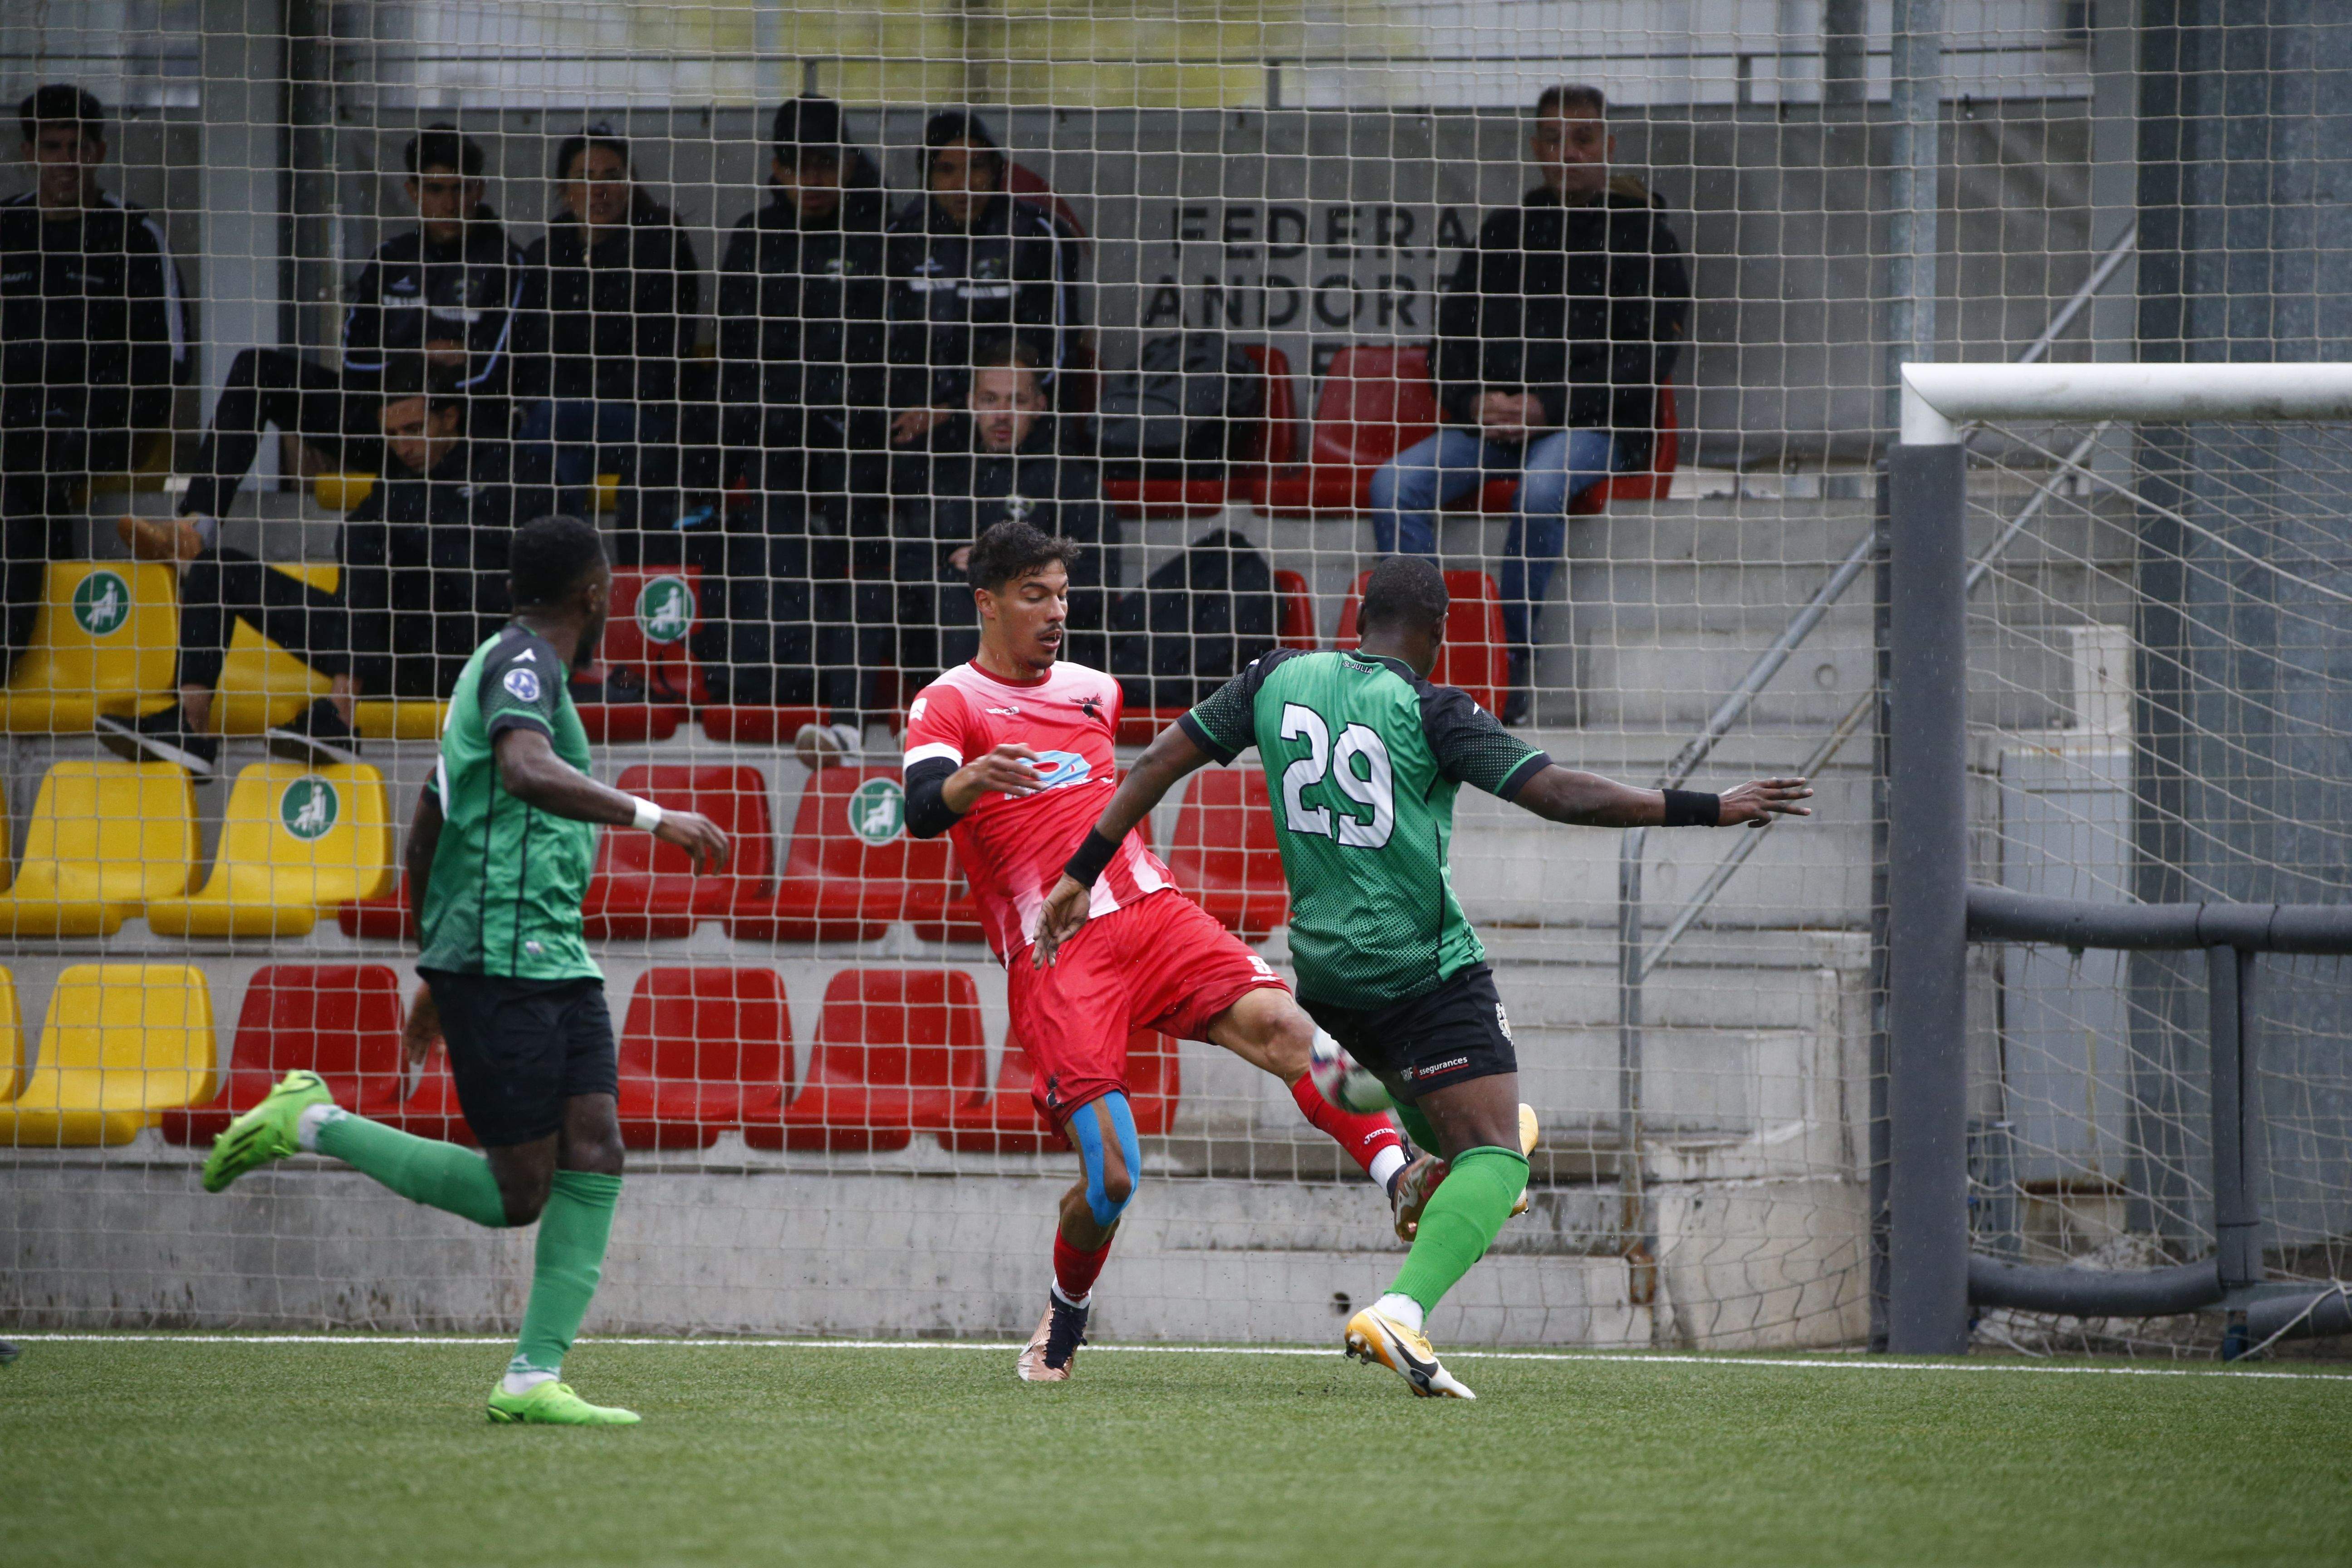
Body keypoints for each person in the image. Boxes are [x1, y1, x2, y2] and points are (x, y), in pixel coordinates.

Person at [1034, 556, 1811, 1396]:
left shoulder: (1273, 677)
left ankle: (1385, 1115)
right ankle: (1401, 1309)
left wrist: (1082, 868)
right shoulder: (1432, 709)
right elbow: (1559, 795)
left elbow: (1152, 764)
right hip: (1422, 975)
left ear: (1356, 620)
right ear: (1437, 632)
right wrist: (1704, 805)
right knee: (1501, 1155)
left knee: (1453, 1145)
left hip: (1325, 979)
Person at [200, 514, 730, 1426]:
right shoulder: (520, 665)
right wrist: (656, 818)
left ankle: (533, 1375)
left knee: (597, 1144)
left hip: (543, 953)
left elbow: (426, 828)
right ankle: (312, 1119)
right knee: (516, 1192)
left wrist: (434, 970)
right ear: (594, 595)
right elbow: (525, 770)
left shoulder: (511, 671)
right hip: (503, 952)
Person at [900, 519, 1417, 1384]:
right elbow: (920, 808)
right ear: (986, 602)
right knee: (1108, 1179)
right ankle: (1066, 1313)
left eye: (1061, 594)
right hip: (1057, 954)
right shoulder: (948, 701)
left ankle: (1401, 1173)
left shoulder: (1095, 691)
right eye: (1034, 595)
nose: (1055, 611)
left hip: (1151, 914)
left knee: (1290, 1029)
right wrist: (969, 781)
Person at [1367, 84, 1690, 724]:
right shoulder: (1505, 232)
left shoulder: (1646, 239)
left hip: (1598, 427)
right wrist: (1478, 401)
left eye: (1583, 139)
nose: (1567, 152)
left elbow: (1646, 362)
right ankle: (1423, 661)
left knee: (1541, 489)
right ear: (1536, 147)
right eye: (1553, 139)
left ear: (1608, 145)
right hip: (1495, 428)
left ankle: (1505, 670)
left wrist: (1549, 406)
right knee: (1393, 483)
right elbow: (1450, 346)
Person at [100, 365, 549, 775]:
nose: (404, 446)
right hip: (383, 651)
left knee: (364, 533)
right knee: (216, 568)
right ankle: (189, 726)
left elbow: (512, 584)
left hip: (463, 652)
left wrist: (420, 524)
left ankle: (340, 714)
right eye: (392, 434)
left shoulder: (510, 468)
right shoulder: (398, 482)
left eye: (414, 429)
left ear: (450, 418)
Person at [131, 123, 540, 559]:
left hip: (454, 431)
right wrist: (426, 354)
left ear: (479, 190)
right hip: (379, 422)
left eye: (460, 190)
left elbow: (490, 369)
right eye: (436, 189)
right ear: (413, 191)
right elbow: (355, 362)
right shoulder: (390, 258)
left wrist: (408, 362)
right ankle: (197, 527)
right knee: (257, 369)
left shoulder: (507, 263)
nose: (449, 204)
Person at [820, 336, 1113, 764]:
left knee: (982, 597)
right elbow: (909, 555)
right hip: (933, 634)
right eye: (990, 399)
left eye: (1017, 400)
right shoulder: (943, 471)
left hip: (1027, 644)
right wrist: (949, 566)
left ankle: (948, 728)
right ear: (970, 403)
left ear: (1039, 405)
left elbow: (1097, 579)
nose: (1002, 414)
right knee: (870, 589)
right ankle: (846, 731)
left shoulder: (1070, 480)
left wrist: (1003, 572)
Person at [699, 97, 892, 730]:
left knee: (868, 534)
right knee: (769, 517)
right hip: (778, 431)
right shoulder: (756, 235)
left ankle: (849, 687)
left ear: (846, 164)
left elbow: (893, 345)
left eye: (823, 165)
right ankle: (776, 671)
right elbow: (737, 347)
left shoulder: (879, 232)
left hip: (865, 434)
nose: (810, 182)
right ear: (777, 170)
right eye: (795, 167)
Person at [1, 83, 190, 676]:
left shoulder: (133, 235)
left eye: (76, 147)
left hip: (101, 423)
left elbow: (170, 359)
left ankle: (15, 653)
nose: (64, 162)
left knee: (27, 468)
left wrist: (96, 411)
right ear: (29, 152)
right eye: (52, 147)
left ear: (100, 151)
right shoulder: (5, 229)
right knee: (20, 464)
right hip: (13, 423)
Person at [520, 124, 699, 531]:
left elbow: (663, 358)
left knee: (551, 430)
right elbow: (531, 352)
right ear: (566, 190)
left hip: (642, 419)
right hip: (565, 422)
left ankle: (554, 567)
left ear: (630, 184)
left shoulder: (662, 248)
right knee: (561, 455)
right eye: (586, 177)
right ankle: (571, 571)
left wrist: (579, 398)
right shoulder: (545, 255)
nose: (599, 189)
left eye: (612, 177)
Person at [884, 111, 1082, 450]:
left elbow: (1055, 355)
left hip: (1017, 423)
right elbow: (881, 347)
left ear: (996, 172)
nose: (964, 183)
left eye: (976, 167)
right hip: (920, 424)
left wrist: (961, 409)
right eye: (947, 170)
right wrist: (920, 410)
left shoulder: (1036, 235)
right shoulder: (900, 238)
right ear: (927, 177)